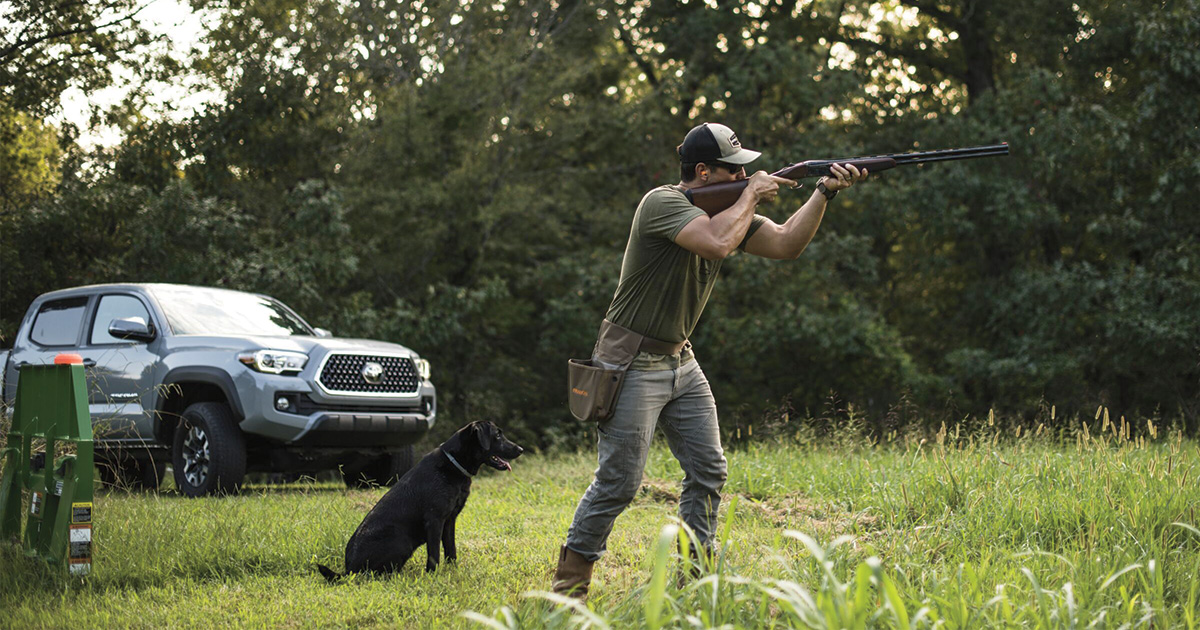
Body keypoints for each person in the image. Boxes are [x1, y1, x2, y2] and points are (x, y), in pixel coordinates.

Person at [551, 122, 867, 598]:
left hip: (681, 361)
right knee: (619, 482)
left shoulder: (728, 211)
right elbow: (717, 241)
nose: (746, 176)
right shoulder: (662, 204)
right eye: (734, 170)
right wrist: (751, 196)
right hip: (631, 361)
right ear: (703, 172)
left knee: (708, 471)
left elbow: (785, 244)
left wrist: (823, 192)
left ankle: (696, 585)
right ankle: (566, 590)